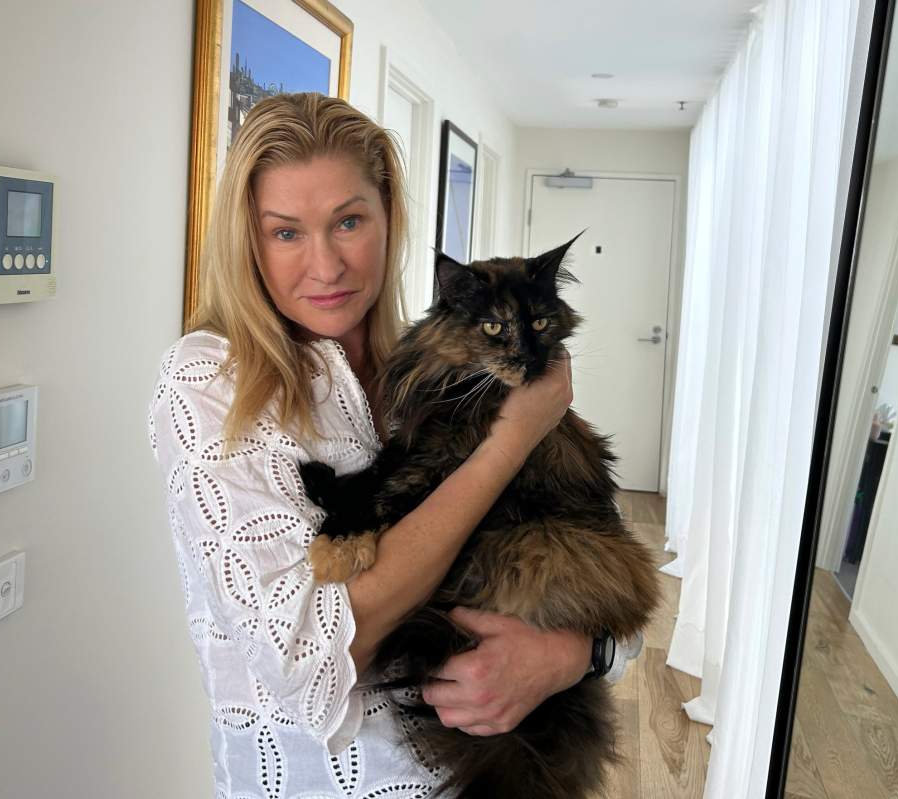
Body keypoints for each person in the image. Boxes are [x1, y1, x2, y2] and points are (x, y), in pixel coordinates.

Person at [147, 92, 634, 798]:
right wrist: (512, 438)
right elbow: (314, 656)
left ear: (388, 218)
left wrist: (573, 654)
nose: (326, 266)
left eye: (348, 221)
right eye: (285, 233)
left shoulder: (444, 363)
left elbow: (608, 572)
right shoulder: (209, 380)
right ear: (245, 241)